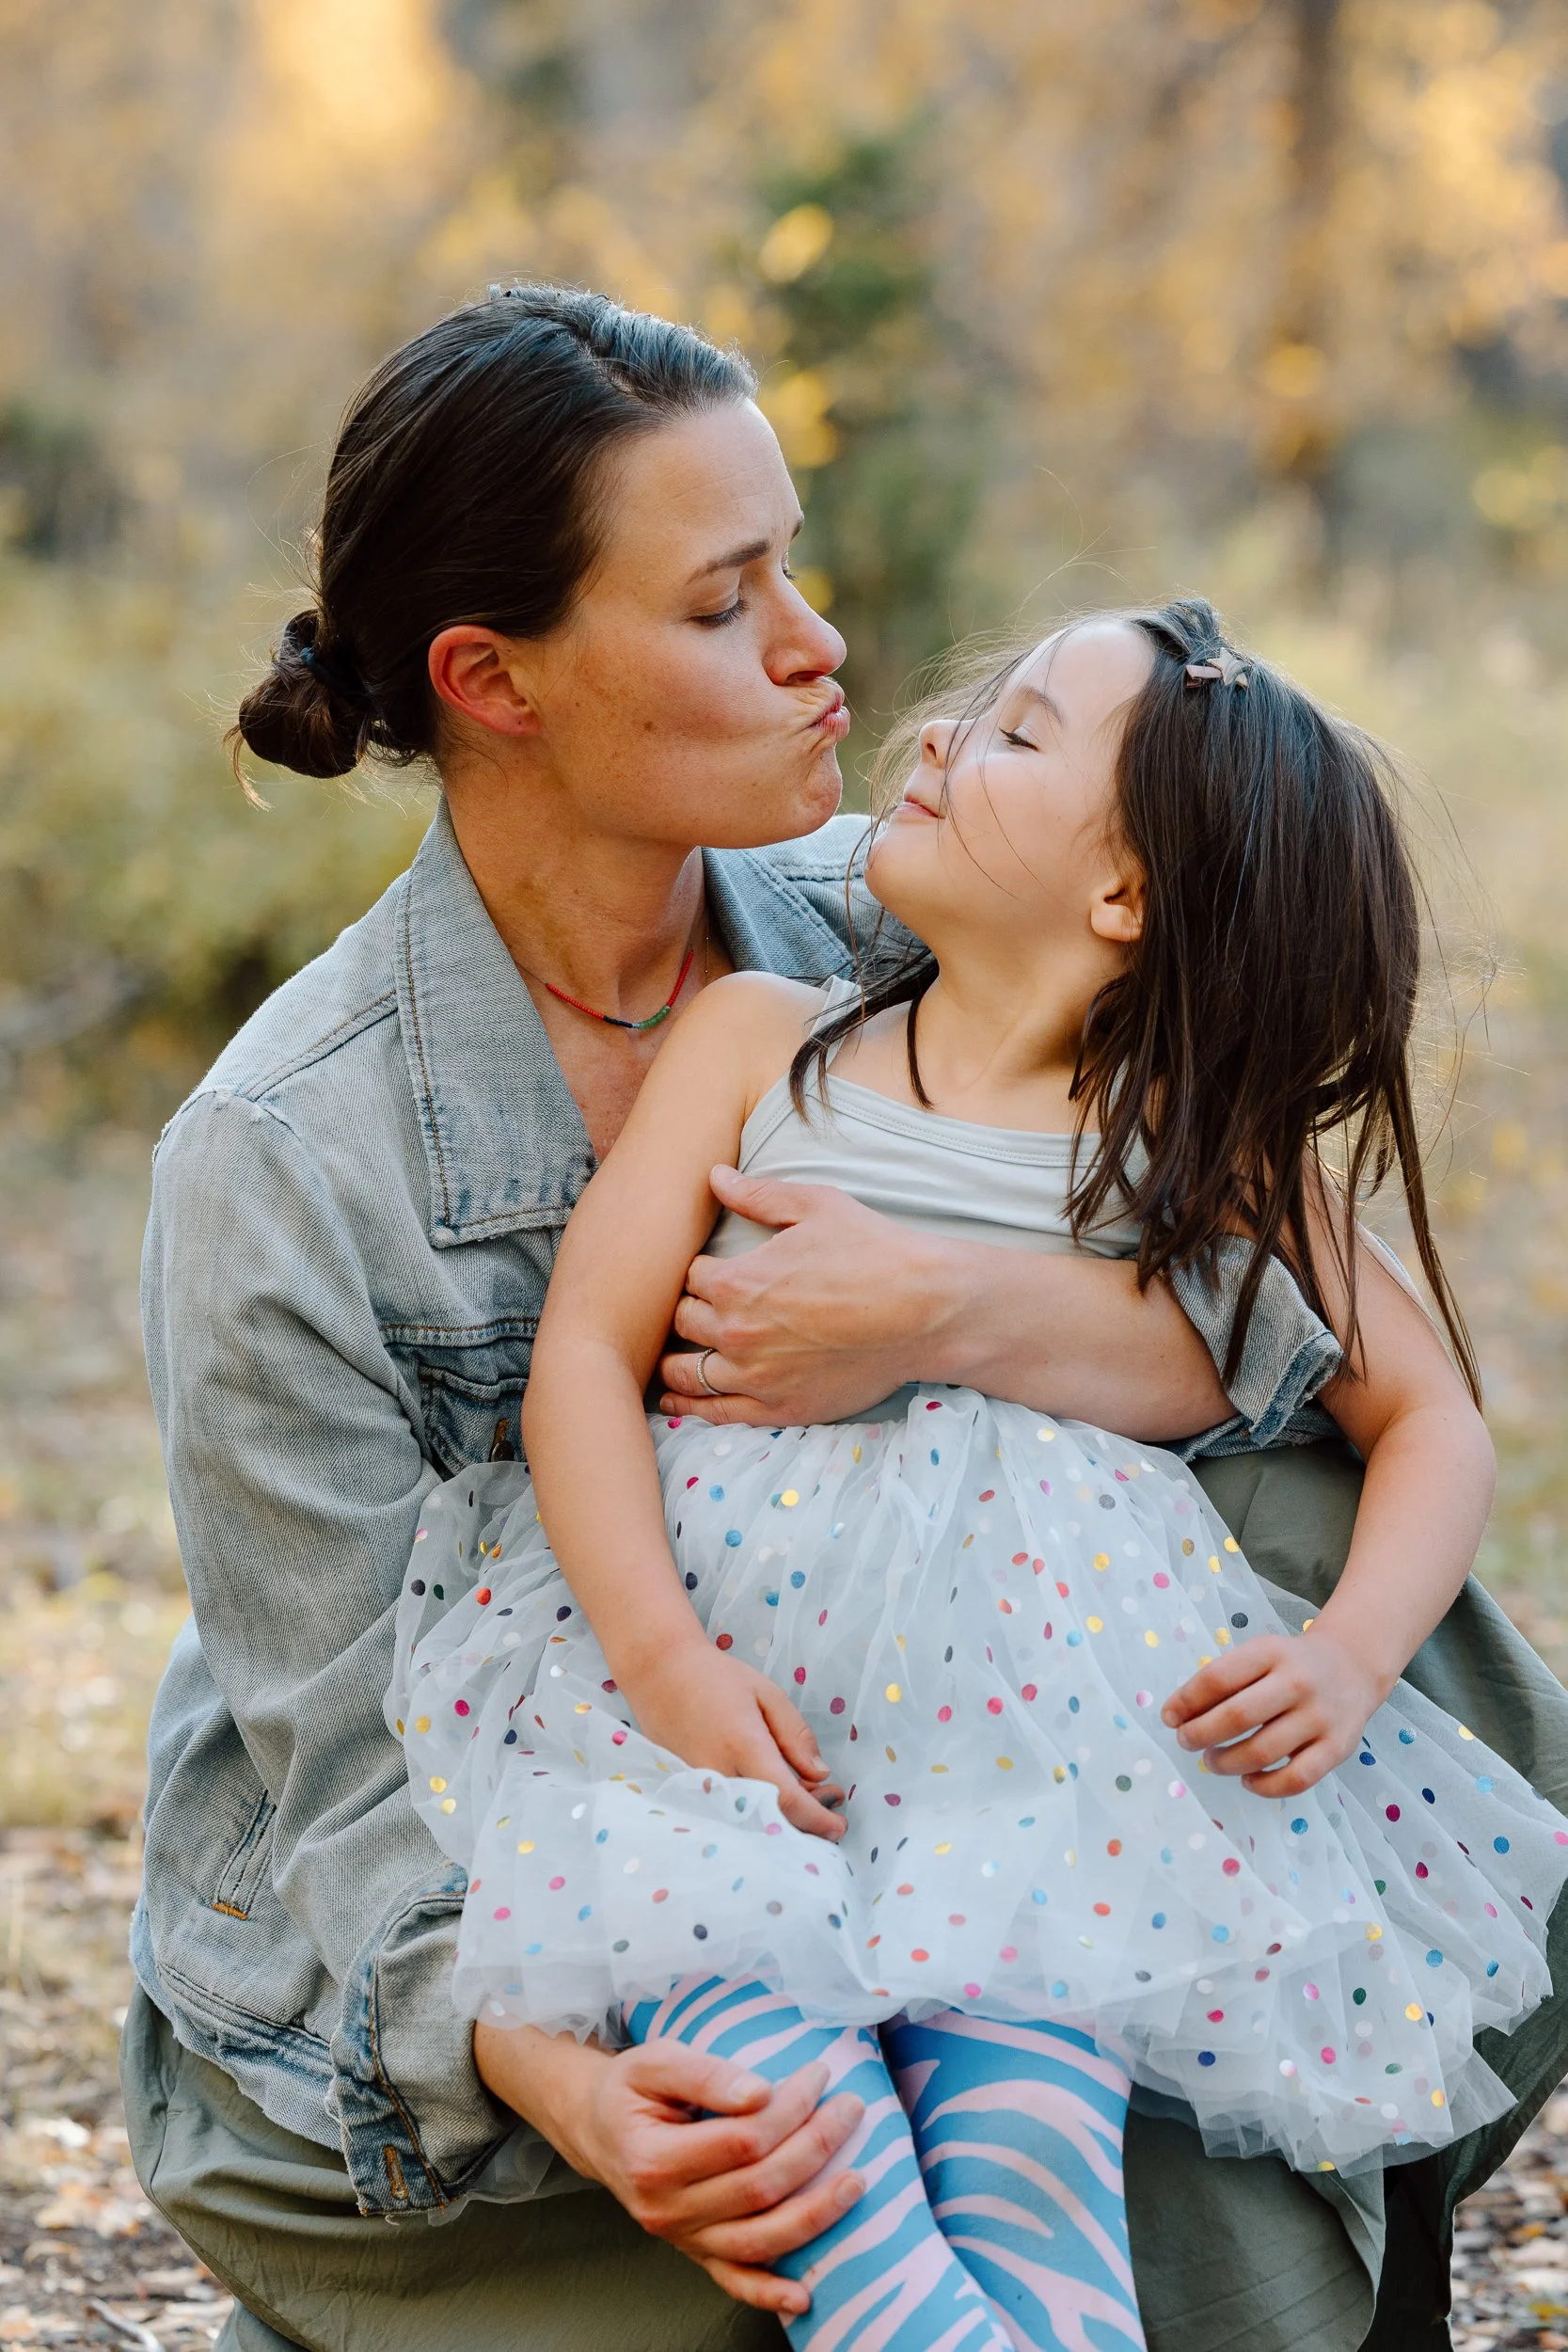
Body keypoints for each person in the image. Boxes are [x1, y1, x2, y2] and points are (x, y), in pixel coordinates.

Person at [119, 286, 1568, 2352]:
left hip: (960, 1778)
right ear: (491, 677)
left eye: (790, 561)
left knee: (1340, 1582)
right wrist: (563, 2073)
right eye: (725, 603)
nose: (823, 646)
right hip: (562, 1814)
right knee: (755, 2175)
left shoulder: (881, 905)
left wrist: (959, 1309)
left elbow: (1287, 1336)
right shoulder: (283, 1153)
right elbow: (343, 1751)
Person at [391, 602, 1568, 2351]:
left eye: (1018, 735)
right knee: (815, 2177)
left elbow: (1432, 1423)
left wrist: (1345, 1656)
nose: (936, 738)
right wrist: (661, 1664)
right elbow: (584, 1356)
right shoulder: (762, 1043)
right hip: (727, 1753)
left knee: (1033, 2193)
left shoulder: (1187, 1144)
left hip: (1040, 1796)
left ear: (1125, 899)